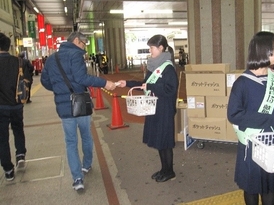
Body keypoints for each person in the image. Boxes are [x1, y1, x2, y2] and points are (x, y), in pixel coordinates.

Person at [227, 31, 274, 205]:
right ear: (264, 50)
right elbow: (234, 114)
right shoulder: (242, 83)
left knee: (270, 186)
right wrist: (266, 120)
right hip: (253, 146)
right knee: (251, 187)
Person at [41, 31, 117, 191]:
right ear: (76, 41)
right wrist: (104, 83)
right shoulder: (75, 55)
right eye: (83, 44)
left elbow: (45, 81)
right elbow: (82, 78)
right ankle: (87, 165)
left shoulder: (52, 58)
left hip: (63, 106)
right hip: (80, 103)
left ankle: (77, 179)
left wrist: (60, 90)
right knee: (86, 136)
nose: (83, 48)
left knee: (70, 142)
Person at [117, 34, 179, 182]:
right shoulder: (153, 67)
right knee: (159, 141)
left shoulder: (168, 68)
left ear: (161, 48)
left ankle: (169, 171)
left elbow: (171, 89)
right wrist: (127, 83)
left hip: (164, 109)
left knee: (165, 142)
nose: (150, 51)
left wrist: (151, 86)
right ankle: (164, 169)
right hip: (153, 108)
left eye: (152, 48)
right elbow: (144, 84)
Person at [0, 33, 27, 181]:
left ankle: (8, 169)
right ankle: (20, 154)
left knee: (2, 138)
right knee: (18, 129)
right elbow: (26, 79)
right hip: (17, 104)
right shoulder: (18, 61)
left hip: (1, 107)